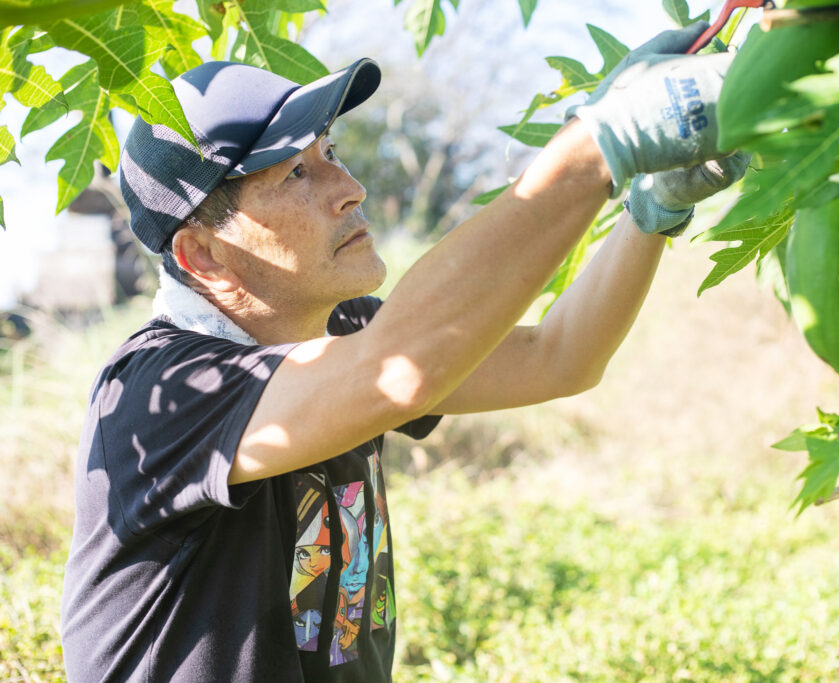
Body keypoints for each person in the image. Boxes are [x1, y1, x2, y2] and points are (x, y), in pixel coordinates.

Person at [59, 22, 746, 683]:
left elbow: (560, 356)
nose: (349, 189)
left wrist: (650, 210)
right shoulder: (164, 393)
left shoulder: (343, 332)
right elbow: (399, 370)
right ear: (202, 255)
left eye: (330, 153)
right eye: (295, 174)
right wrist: (599, 145)